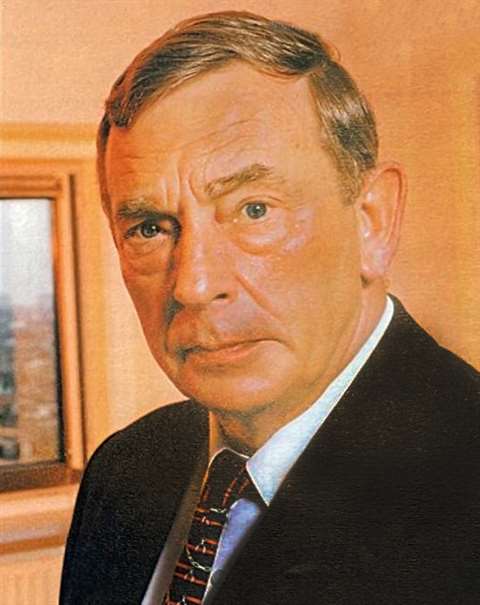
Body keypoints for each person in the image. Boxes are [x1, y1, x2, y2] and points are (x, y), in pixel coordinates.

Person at [60, 11, 480, 605]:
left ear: (372, 222)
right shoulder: (124, 470)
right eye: (151, 228)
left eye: (254, 209)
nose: (195, 284)